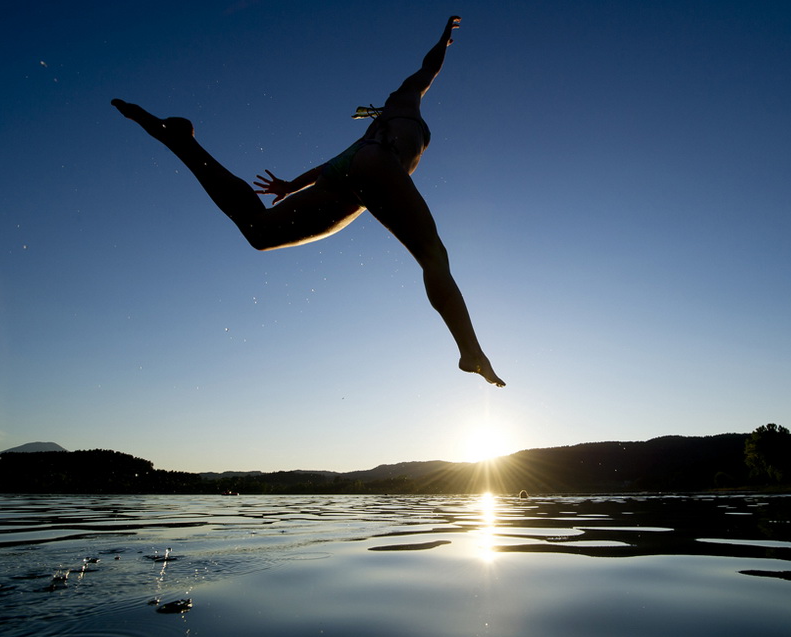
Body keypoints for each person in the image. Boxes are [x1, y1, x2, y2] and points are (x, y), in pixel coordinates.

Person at [112, 16, 504, 387]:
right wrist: (442, 42)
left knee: (260, 232)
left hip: (351, 170)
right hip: (374, 168)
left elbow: (331, 166)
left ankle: (183, 142)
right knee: (433, 256)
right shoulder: (404, 103)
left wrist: (290, 187)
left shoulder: (373, 127)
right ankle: (469, 351)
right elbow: (427, 71)